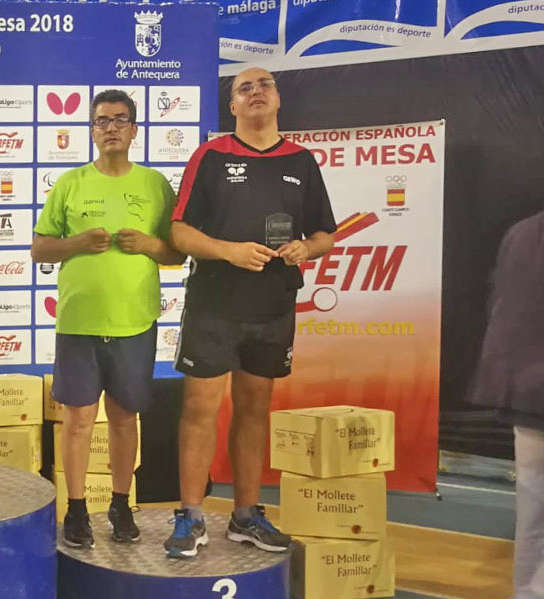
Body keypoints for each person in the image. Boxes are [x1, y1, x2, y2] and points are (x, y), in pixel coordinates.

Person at [163, 68, 337, 558]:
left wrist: (307, 248)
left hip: (273, 306)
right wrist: (228, 251)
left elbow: (325, 234)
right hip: (214, 305)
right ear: (233, 106)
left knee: (255, 410)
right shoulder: (211, 156)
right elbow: (180, 232)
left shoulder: (301, 161)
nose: (256, 92)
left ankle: (245, 516)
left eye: (265, 85)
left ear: (278, 98)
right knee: (200, 409)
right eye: (245, 88)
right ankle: (191, 515)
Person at [31, 89, 183, 548]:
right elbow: (40, 249)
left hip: (134, 321)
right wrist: (77, 243)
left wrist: (150, 245)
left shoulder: (156, 185)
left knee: (123, 418)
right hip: (78, 322)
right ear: (92, 130)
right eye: (102, 121)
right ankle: (76, 509)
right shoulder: (70, 183)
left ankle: (120, 504)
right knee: (77, 420)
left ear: (134, 129)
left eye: (119, 120)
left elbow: (177, 252)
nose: (111, 128)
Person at [468, 202, 544, 599]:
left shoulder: (524, 230)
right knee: (539, 514)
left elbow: (499, 303)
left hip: (523, 389)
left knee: (537, 515)